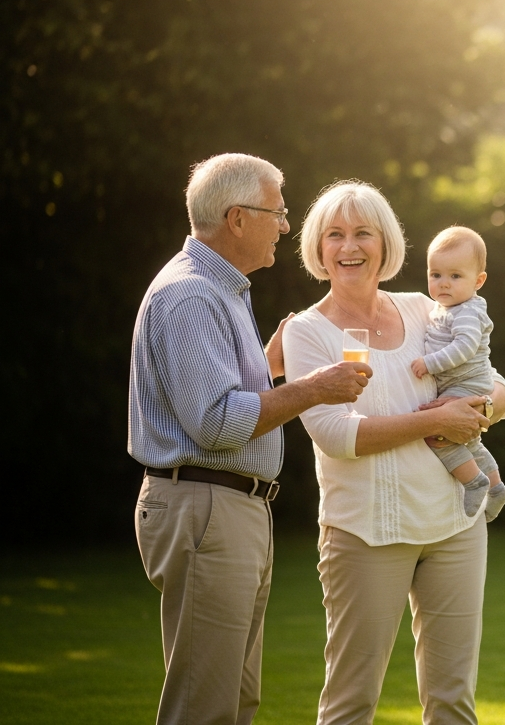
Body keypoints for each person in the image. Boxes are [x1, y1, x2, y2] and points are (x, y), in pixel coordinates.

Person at [128, 153, 372, 725]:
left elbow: (216, 400)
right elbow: (216, 423)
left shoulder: (222, 291)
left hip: (226, 507)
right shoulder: (191, 295)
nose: (286, 226)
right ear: (237, 219)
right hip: (207, 507)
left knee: (235, 703)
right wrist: (314, 388)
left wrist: (270, 367)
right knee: (204, 706)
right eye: (277, 213)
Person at [272, 180, 505, 725]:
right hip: (366, 534)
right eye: (334, 234)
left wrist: (480, 408)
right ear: (318, 248)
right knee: (350, 704)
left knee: (453, 702)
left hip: (454, 526)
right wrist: (435, 421)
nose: (349, 246)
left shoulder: (425, 309)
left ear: (385, 244)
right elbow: (336, 435)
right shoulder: (306, 332)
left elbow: (499, 388)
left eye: (363, 233)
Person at [409, 226, 505, 522]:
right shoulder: (445, 308)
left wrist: (430, 363)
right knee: (471, 441)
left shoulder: (467, 312)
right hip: (463, 383)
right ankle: (497, 487)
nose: (443, 283)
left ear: (478, 281)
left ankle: (474, 482)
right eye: (436, 274)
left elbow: (464, 347)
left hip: (467, 384)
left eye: (455, 276)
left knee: (438, 435)